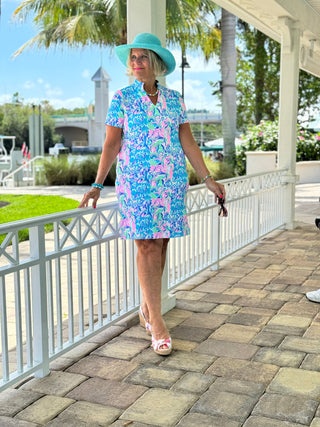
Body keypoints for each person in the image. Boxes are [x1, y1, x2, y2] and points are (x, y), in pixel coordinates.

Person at [79, 33, 225, 355]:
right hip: (137, 184)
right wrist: (97, 184)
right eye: (133, 58)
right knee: (146, 245)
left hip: (172, 183)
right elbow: (111, 144)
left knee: (161, 244)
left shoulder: (175, 100)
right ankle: (156, 322)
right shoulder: (122, 98)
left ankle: (147, 307)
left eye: (142, 57)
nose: (136, 63)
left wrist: (209, 179)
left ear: (156, 63)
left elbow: (188, 143)